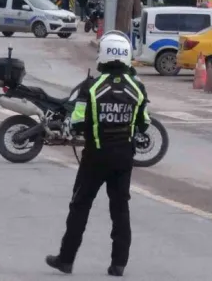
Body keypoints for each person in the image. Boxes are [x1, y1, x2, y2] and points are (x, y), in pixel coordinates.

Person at [46, 32, 150, 277]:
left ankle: (66, 259)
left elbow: (77, 122)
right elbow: (144, 123)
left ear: (103, 55)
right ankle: (118, 264)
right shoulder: (137, 87)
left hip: (95, 156)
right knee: (120, 209)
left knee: (80, 206)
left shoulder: (91, 87)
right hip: (124, 157)